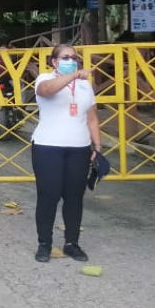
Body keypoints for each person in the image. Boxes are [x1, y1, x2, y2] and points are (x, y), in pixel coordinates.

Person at [29, 44, 101, 263]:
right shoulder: (44, 79)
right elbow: (47, 91)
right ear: (54, 62)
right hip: (47, 146)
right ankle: (44, 244)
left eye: (74, 57)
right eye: (65, 57)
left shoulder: (85, 86)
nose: (71, 60)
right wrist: (72, 76)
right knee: (48, 196)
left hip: (79, 147)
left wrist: (97, 146)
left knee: (74, 197)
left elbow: (91, 117)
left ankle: (72, 243)